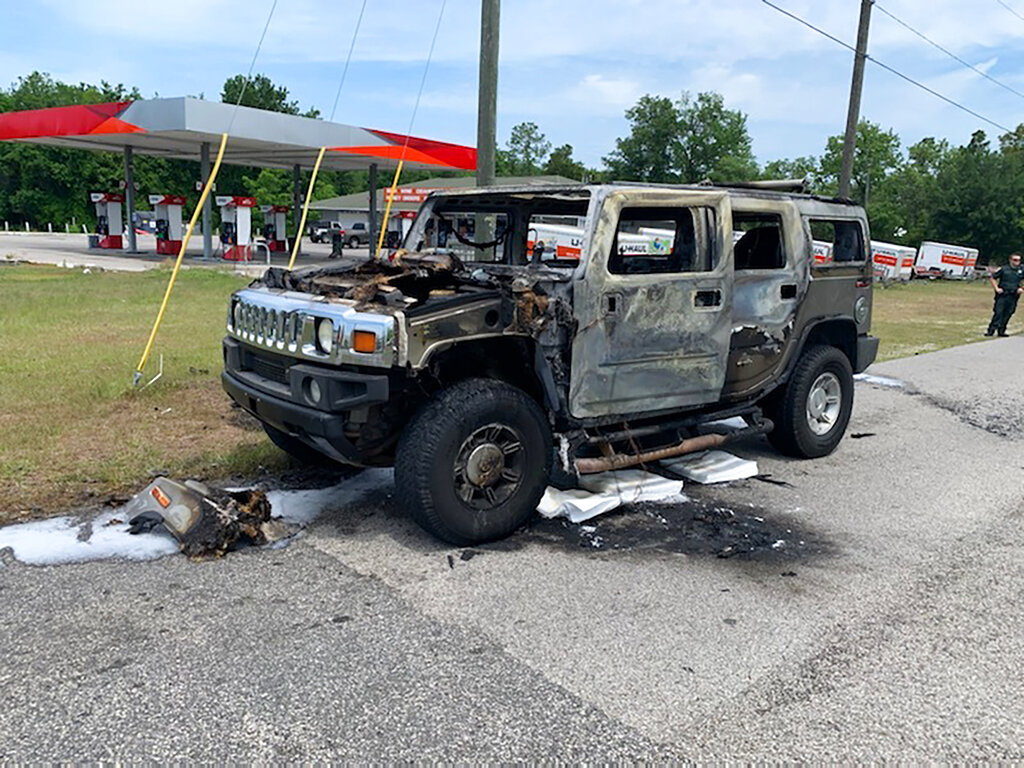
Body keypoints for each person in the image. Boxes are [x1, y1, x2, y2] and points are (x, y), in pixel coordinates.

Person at [985, 252, 1024, 337]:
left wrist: (1021, 288)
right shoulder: (1004, 269)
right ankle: (991, 330)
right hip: (1003, 294)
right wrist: (996, 288)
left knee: (1009, 312)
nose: (1017, 262)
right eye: (1015, 260)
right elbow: (993, 278)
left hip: (1014, 295)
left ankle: (1001, 330)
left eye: (1018, 260)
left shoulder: (1021, 270)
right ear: (1010, 260)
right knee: (998, 312)